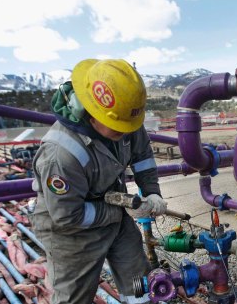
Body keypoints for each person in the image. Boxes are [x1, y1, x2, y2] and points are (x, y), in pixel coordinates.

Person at [31, 59, 167, 304]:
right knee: (74, 296)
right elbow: (67, 215)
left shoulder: (124, 118)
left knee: (138, 282)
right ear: (91, 113)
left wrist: (152, 192)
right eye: (118, 128)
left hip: (114, 217)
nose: (126, 132)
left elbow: (143, 156)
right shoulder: (60, 155)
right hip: (70, 233)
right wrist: (119, 211)